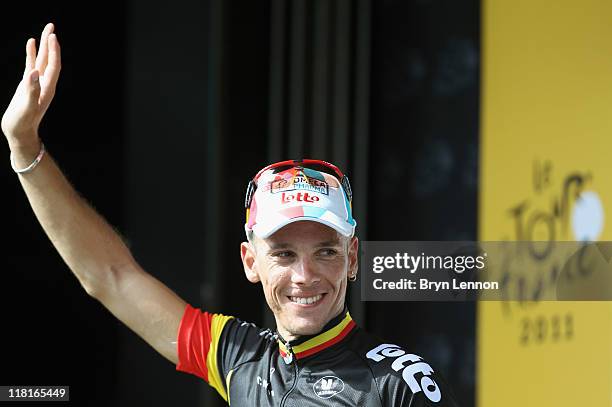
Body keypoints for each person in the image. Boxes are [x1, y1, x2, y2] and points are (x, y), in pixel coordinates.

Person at [3, 23, 460, 406]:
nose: (305, 275)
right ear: (249, 262)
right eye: (283, 253)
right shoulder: (238, 355)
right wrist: (24, 146)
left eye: (325, 251)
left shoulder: (397, 385)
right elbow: (110, 277)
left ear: (353, 258)